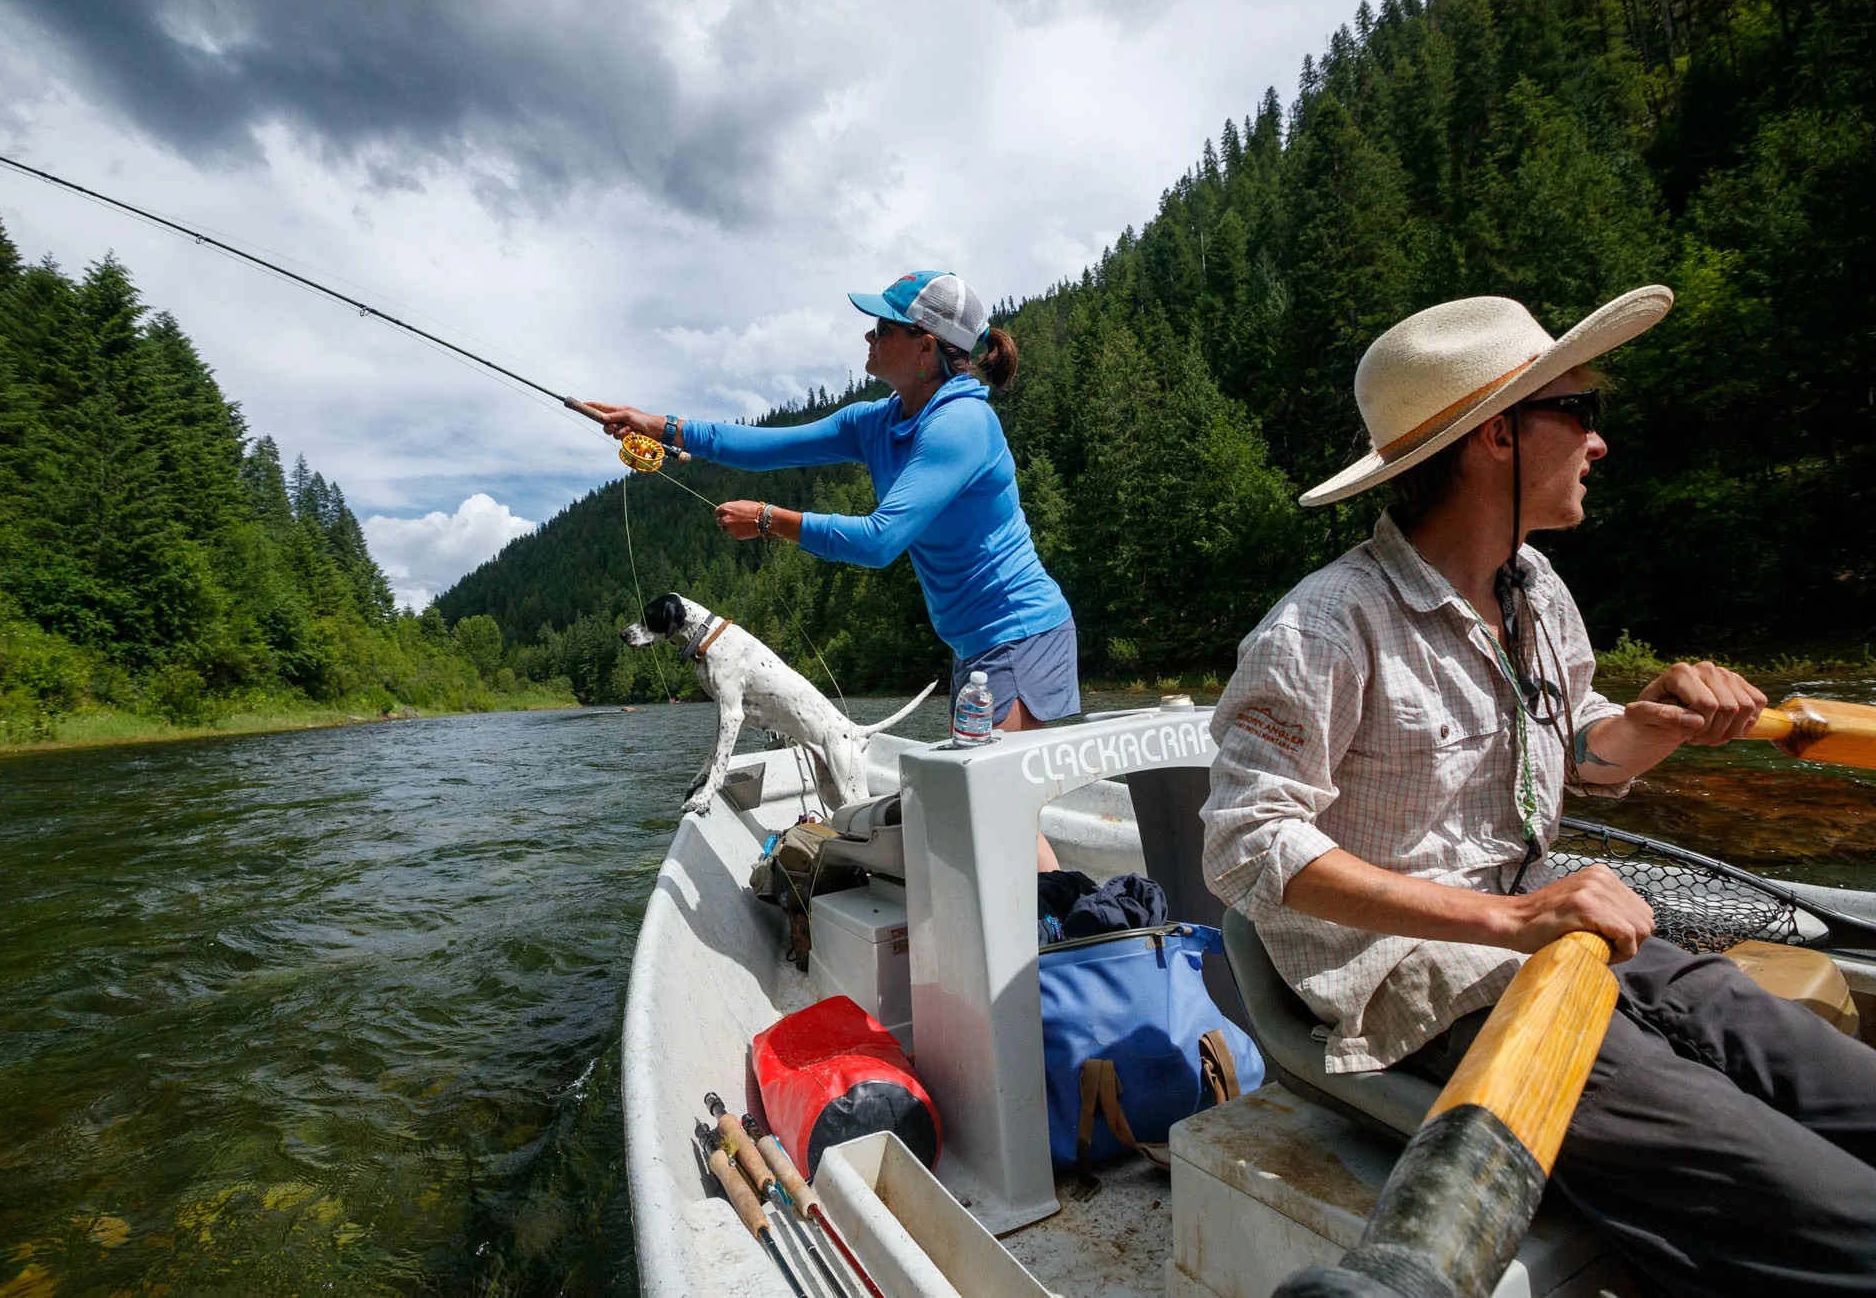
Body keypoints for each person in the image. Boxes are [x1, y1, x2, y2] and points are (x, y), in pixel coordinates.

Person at [1199, 286, 1876, 1295]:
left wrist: (1648, 726)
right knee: (1834, 1210)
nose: (1598, 441)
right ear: (1497, 437)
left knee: (1818, 1071)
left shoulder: (1536, 589)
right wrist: (1512, 917)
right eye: (1579, 410)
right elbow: (1247, 845)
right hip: (1422, 983)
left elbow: (1579, 748)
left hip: (1554, 933)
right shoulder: (1323, 628)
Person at [592, 272, 1078, 848]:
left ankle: (1060, 904)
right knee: (992, 820)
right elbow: (767, 446)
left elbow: (879, 539)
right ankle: (1053, 901)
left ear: (925, 347)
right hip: (975, 646)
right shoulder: (879, 422)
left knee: (988, 818)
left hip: (1020, 635)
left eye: (882, 328)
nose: (868, 337)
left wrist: (769, 519)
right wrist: (657, 425)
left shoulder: (962, 424)